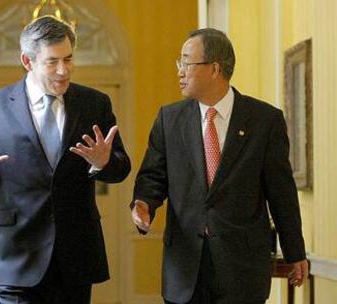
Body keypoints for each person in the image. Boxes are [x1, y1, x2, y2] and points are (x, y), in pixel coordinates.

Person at [0, 15, 130, 304]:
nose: (63, 71)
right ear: (28, 61)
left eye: (69, 59)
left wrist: (103, 162)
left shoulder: (94, 104)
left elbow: (120, 167)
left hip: (74, 255)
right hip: (16, 256)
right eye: (52, 62)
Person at [131, 28, 308, 304]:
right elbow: (153, 176)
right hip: (185, 269)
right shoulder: (169, 119)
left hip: (243, 271)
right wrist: (143, 203)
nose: (179, 71)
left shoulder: (264, 120)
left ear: (214, 69)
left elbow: (281, 193)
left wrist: (295, 251)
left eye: (186, 62)